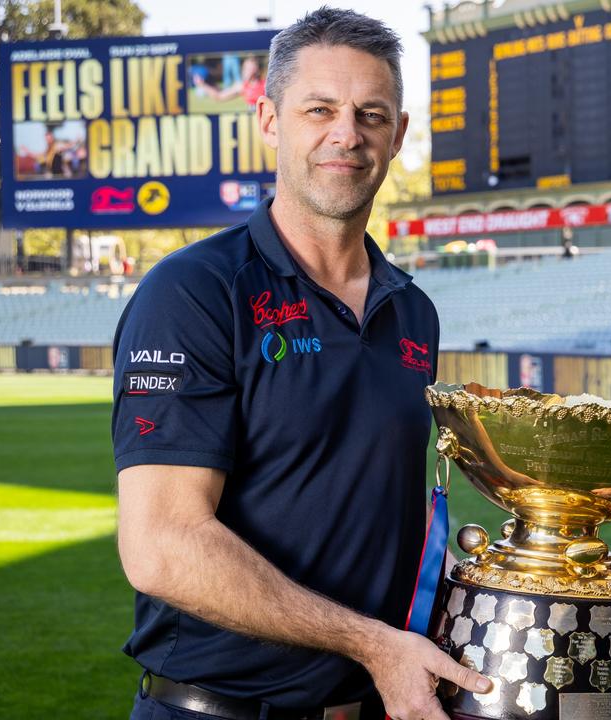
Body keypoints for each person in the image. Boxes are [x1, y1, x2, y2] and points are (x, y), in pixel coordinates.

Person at [112, 9, 490, 720]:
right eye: (320, 110)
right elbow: (159, 544)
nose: (346, 134)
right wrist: (372, 644)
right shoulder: (195, 291)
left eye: (370, 115)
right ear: (269, 121)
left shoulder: (414, 311)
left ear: (398, 135)